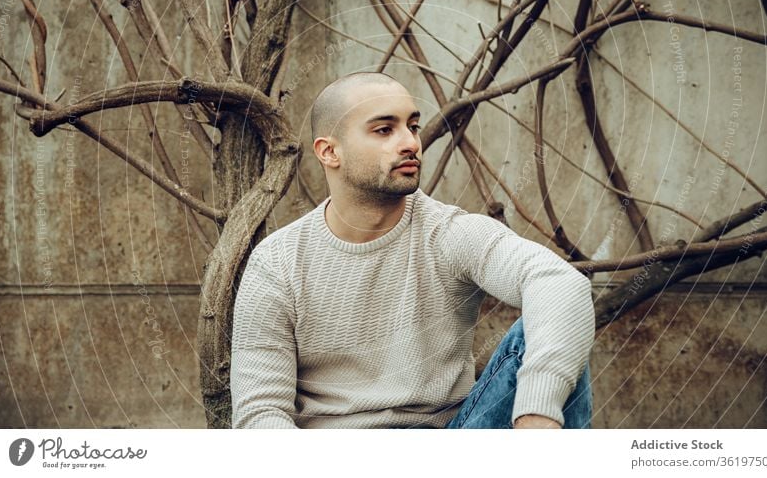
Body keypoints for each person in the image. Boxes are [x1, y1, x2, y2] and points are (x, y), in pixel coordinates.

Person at [231, 72, 595, 429]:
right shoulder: (277, 263)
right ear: (329, 152)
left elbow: (560, 283)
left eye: (413, 126)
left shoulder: (448, 234)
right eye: (384, 129)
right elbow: (260, 413)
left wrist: (537, 413)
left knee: (553, 321)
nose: (410, 143)